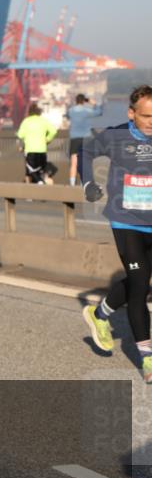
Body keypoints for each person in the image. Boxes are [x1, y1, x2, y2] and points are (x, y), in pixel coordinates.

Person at [81, 85, 152, 384]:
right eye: (147, 116)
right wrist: (87, 185)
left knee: (140, 278)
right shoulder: (117, 136)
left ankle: (100, 314)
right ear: (131, 114)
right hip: (126, 223)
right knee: (140, 287)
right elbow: (84, 149)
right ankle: (148, 358)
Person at [67, 93, 103, 186]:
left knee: (74, 163)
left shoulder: (71, 111)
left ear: (76, 101)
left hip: (74, 138)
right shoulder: (87, 111)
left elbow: (67, 116)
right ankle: (85, 184)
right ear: (84, 101)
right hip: (86, 138)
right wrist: (94, 103)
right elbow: (99, 112)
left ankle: (72, 184)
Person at [17, 103, 58, 184]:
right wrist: (47, 139)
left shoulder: (26, 121)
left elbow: (20, 135)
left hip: (30, 150)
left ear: (29, 112)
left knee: (30, 171)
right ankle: (42, 184)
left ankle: (37, 185)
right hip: (42, 150)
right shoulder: (43, 121)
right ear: (39, 112)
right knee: (40, 170)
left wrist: (22, 145)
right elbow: (53, 131)